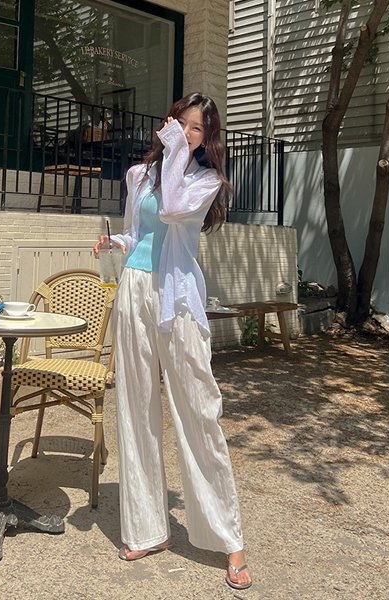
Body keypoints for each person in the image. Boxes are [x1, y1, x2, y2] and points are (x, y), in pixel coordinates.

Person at [94, 92, 252, 590]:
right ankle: (147, 527)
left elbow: (172, 211)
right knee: (135, 406)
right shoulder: (138, 176)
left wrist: (177, 152)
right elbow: (138, 233)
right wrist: (115, 243)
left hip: (177, 297)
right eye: (181, 123)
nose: (186, 132)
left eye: (196, 128)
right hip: (135, 289)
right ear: (168, 121)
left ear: (206, 139)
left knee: (199, 408)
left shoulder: (205, 181)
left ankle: (229, 538)